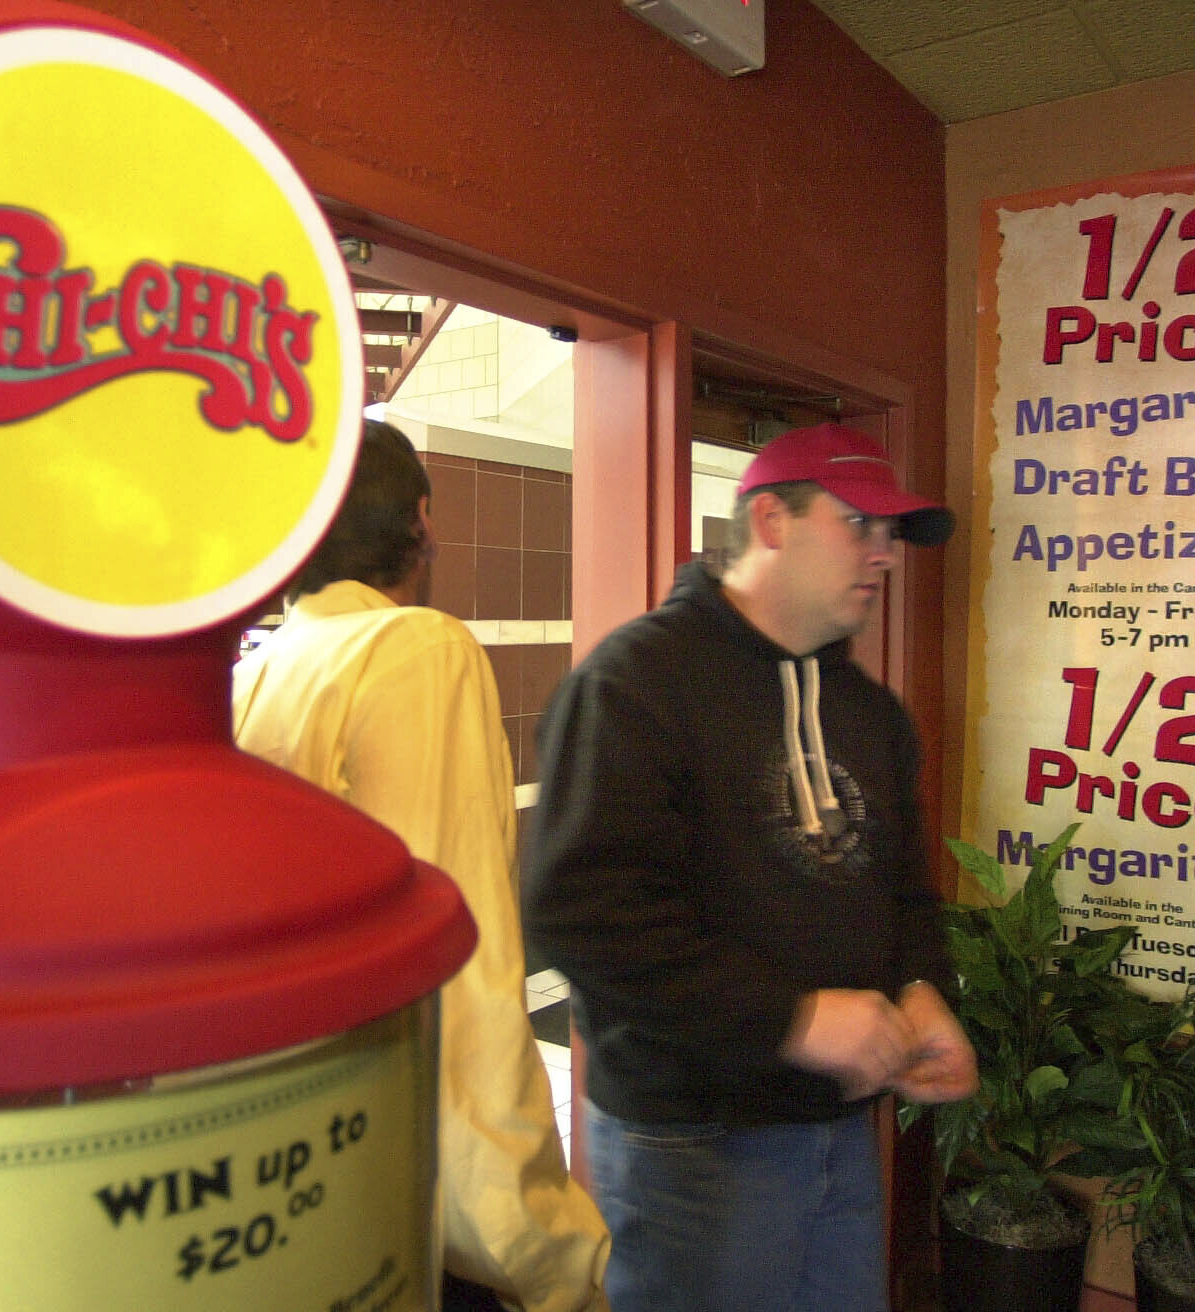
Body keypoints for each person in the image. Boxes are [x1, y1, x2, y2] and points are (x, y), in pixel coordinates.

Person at [520, 421, 978, 1312]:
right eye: (862, 525)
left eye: (893, 535)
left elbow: (905, 894)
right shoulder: (635, 682)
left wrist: (921, 987)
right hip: (692, 1145)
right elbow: (583, 913)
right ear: (771, 520)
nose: (885, 555)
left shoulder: (869, 713)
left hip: (840, 1130)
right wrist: (793, 1017)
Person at [232, 420, 611, 1312]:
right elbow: (458, 969)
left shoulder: (257, 671)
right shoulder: (415, 651)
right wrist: (540, 1240)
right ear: (423, 519)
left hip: (290, 1173)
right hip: (405, 1191)